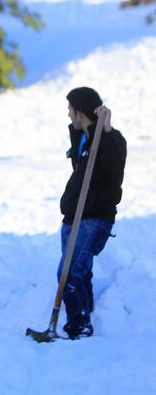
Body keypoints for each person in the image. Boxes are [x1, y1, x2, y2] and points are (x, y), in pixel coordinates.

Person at [57, 87, 126, 339]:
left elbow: (114, 168)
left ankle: (79, 325)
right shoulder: (83, 139)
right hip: (76, 217)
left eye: (70, 109)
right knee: (80, 270)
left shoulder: (111, 140)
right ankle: (87, 315)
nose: (68, 114)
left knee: (68, 271)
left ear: (80, 111)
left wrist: (105, 132)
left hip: (94, 217)